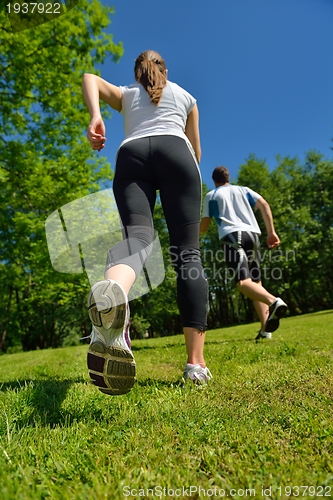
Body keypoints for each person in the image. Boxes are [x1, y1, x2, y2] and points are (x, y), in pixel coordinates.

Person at [82, 50, 212, 396]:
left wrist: (96, 116)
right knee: (188, 255)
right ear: (164, 70)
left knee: (138, 238)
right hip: (177, 153)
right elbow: (197, 153)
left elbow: (89, 79)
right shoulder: (186, 97)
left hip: (131, 155)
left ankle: (116, 294)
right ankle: (195, 365)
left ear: (137, 72)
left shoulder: (126, 94)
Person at [200, 166, 287, 339]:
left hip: (232, 237)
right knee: (256, 283)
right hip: (253, 236)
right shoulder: (244, 190)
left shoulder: (212, 195)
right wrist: (271, 232)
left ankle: (274, 301)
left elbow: (204, 226)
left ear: (215, 180)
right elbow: (264, 204)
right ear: (228, 178)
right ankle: (265, 331)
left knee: (243, 283)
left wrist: (192, 235)